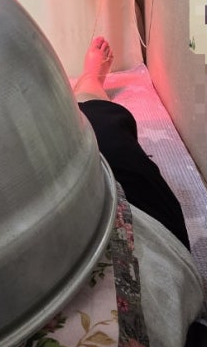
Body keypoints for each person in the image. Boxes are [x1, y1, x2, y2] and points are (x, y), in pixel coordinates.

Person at [73, 37, 191, 251]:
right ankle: (89, 81)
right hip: (152, 233)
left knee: (76, 123)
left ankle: (86, 84)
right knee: (93, 126)